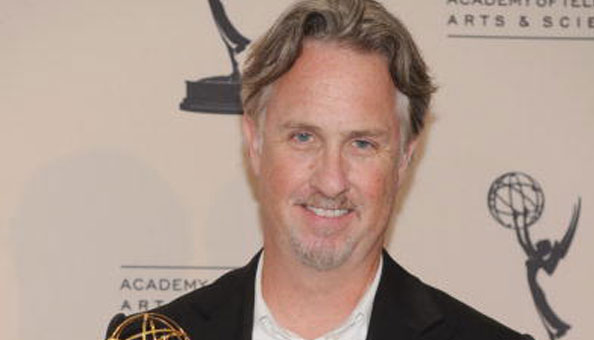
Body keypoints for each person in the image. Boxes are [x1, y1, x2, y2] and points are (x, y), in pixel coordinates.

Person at [106, 1, 533, 339]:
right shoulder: (159, 337)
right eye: (304, 138)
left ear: (404, 157)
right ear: (254, 143)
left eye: (362, 143)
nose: (331, 181)